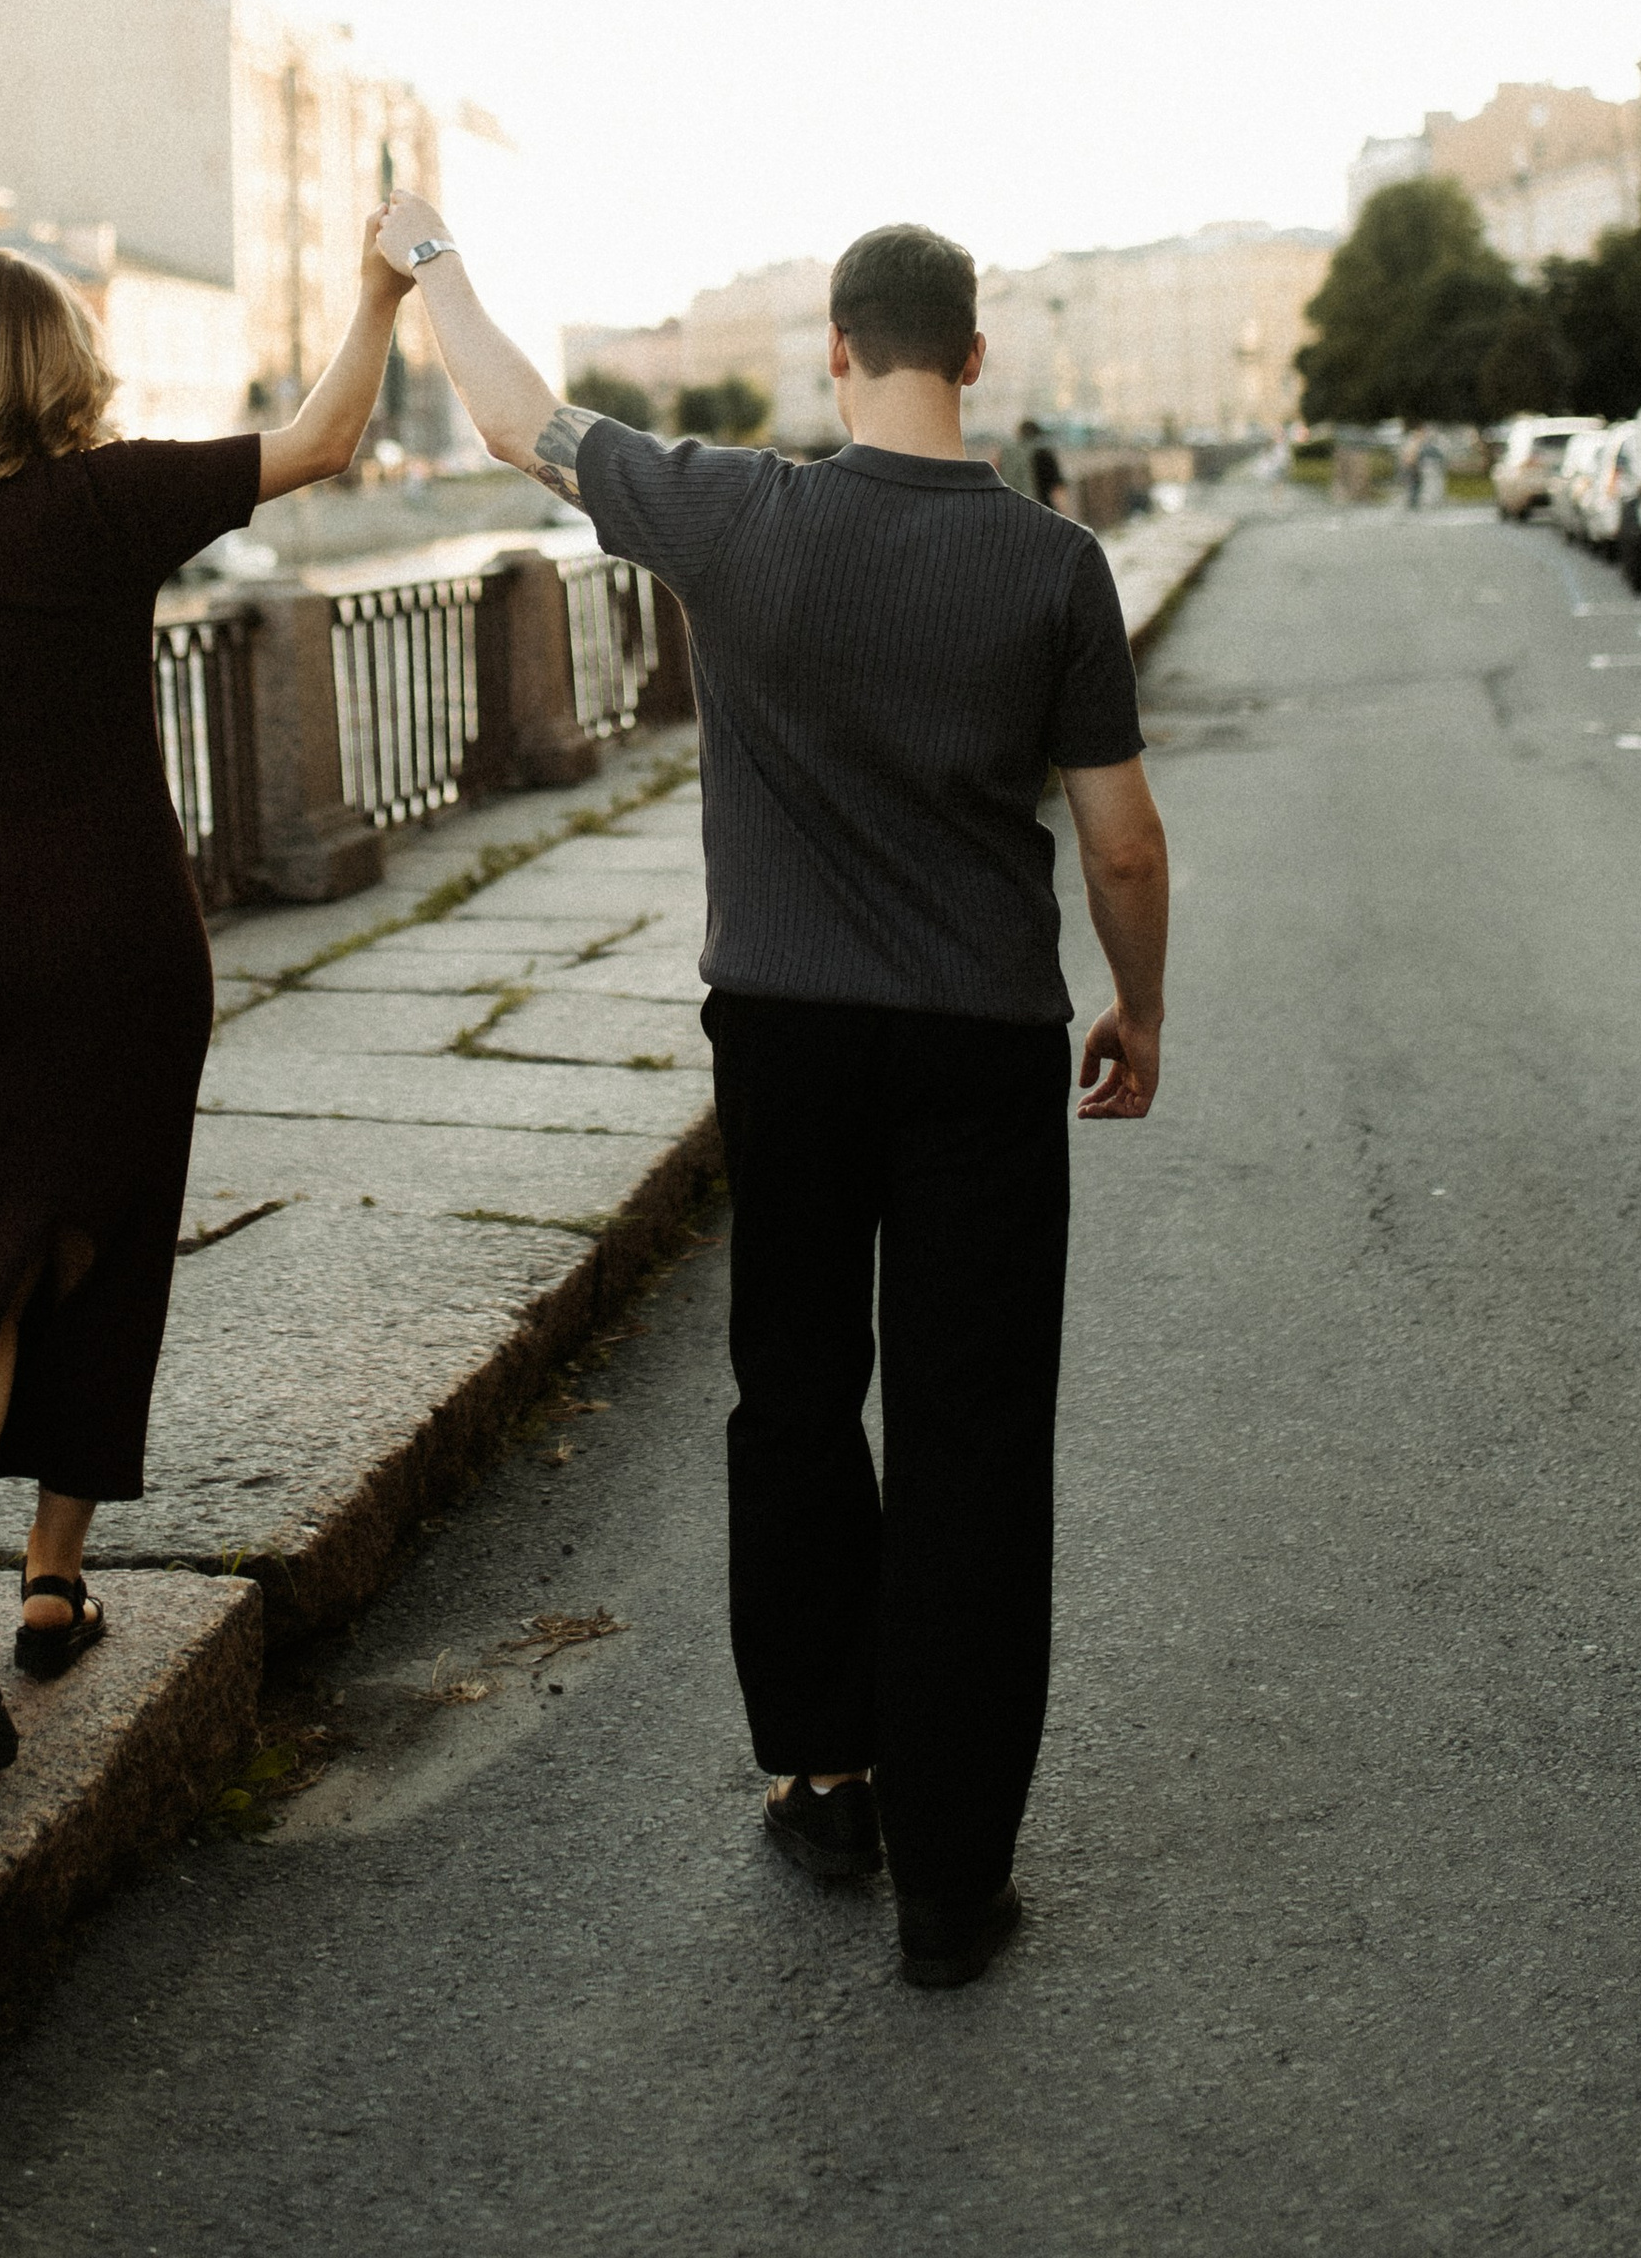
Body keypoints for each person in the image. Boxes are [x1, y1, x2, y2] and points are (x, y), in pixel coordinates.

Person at [371, 193, 1169, 1991]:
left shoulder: (738, 512)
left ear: (835, 346)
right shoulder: (1054, 566)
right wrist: (1142, 1006)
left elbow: (516, 420)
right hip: (981, 1042)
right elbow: (1121, 837)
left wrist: (431, 263)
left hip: (788, 1031)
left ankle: (825, 1772)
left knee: (795, 1392)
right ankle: (955, 1883)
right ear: (973, 355)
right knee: (974, 1442)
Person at [0, 226, 416, 1776]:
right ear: (66, 370)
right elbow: (329, 435)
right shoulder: (107, 500)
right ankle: (51, 1575)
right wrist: (380, 291)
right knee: (107, 1236)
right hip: (124, 938)